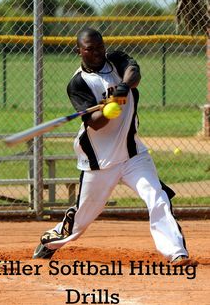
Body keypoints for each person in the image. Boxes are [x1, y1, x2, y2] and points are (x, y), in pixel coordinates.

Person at [33, 27, 193, 266]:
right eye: (90, 49)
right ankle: (49, 241)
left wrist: (124, 87)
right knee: (82, 220)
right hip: (100, 162)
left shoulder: (116, 61)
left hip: (133, 155)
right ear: (79, 51)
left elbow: (134, 73)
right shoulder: (78, 83)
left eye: (100, 47)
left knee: (157, 197)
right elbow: (95, 123)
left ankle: (176, 252)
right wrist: (111, 105)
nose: (97, 52)